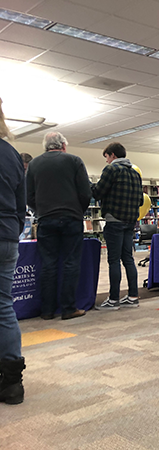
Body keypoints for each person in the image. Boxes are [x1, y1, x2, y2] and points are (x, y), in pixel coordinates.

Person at [26, 132, 91, 320]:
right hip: (71, 218)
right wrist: (78, 211)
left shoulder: (34, 165)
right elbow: (85, 193)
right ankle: (69, 308)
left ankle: (47, 310)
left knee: (48, 264)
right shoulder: (74, 161)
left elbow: (28, 196)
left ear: (46, 146)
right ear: (63, 145)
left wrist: (41, 211)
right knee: (71, 263)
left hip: (46, 220)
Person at [92, 142, 143, 310]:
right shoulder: (135, 173)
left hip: (114, 220)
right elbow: (141, 200)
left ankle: (114, 299)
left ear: (112, 155)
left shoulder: (111, 170)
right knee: (128, 259)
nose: (106, 161)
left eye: (106, 157)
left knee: (113, 260)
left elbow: (98, 192)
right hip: (130, 222)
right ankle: (133, 296)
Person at [0, 98, 26, 404]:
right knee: (4, 306)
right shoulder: (11, 153)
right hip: (6, 235)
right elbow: (21, 207)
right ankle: (12, 383)